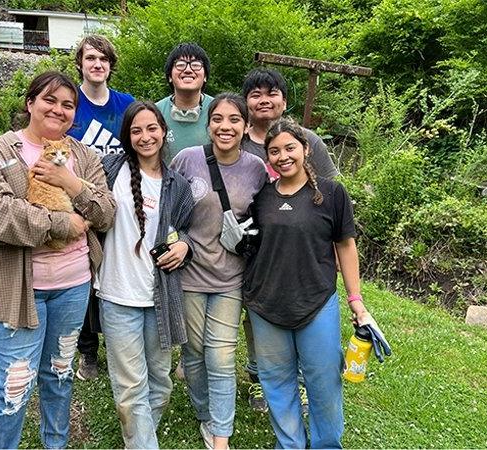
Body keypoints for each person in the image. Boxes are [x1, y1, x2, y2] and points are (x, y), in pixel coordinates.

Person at [0, 71, 116, 449]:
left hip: (72, 285)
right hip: (21, 289)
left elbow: (106, 211)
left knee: (60, 374)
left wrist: (70, 182)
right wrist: (60, 223)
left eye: (68, 105)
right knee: (15, 384)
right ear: (30, 102)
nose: (59, 110)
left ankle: (56, 444)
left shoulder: (82, 155)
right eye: (50, 100)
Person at [243, 118, 370, 448]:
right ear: (267, 157)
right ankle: (290, 445)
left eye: (289, 148)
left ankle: (327, 444)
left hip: (316, 302)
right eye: (274, 151)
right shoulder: (261, 199)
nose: (282, 156)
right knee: (276, 382)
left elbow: (345, 244)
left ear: (305, 149)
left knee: (324, 380)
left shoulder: (330, 193)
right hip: (265, 303)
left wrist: (355, 299)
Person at [171, 93, 268, 450]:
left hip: (231, 277)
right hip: (190, 274)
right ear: (208, 123)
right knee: (194, 352)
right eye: (218, 119)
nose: (225, 126)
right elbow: (169, 213)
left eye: (234, 120)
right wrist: (178, 242)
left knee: (222, 355)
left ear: (245, 126)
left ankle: (221, 436)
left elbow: (264, 221)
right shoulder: (186, 160)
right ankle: (205, 414)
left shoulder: (256, 169)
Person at [240, 67, 340, 413]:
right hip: (253, 250)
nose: (264, 100)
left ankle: (300, 381)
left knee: (305, 314)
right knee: (257, 316)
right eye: (256, 94)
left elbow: (332, 193)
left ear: (284, 101)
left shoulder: (309, 140)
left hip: (301, 251)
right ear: (247, 102)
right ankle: (257, 377)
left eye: (272, 93)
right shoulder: (237, 139)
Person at [97, 101, 195, 449]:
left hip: (159, 296)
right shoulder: (109, 171)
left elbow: (186, 230)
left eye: (152, 128)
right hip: (117, 294)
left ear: (164, 131)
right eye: (136, 130)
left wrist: (185, 245)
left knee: (160, 382)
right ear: (126, 136)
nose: (145, 136)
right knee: (130, 387)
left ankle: (137, 440)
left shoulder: (178, 185)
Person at [67, 34, 135, 381]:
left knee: (116, 270)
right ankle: (87, 350)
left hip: (118, 201)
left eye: (104, 59)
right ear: (80, 62)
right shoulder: (69, 102)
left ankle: (121, 340)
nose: (97, 64)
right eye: (91, 58)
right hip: (74, 202)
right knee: (82, 276)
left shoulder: (125, 103)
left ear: (111, 65)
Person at [156, 42, 214, 163]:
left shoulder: (218, 109)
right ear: (170, 76)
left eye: (196, 65)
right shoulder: (156, 112)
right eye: (180, 65)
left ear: (205, 76)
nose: (188, 70)